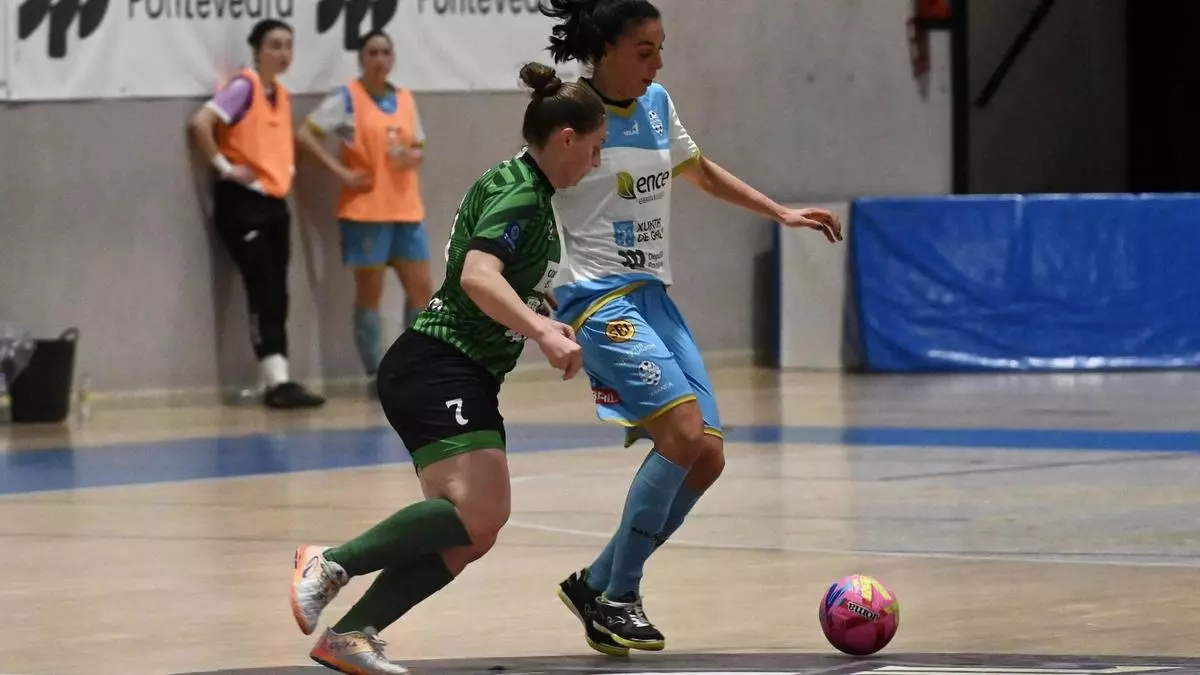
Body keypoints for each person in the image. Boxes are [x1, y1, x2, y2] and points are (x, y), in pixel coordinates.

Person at [539, 0, 844, 655]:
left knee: (707, 454)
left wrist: (780, 212)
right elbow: (525, 195)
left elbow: (698, 170)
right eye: (644, 51)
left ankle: (595, 583)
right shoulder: (569, 112)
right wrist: (530, 302)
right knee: (680, 433)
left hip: (651, 294)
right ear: (606, 49)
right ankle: (620, 597)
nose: (657, 63)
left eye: (661, 49)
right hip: (595, 300)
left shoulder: (656, 104)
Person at [287, 62, 607, 675]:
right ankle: (329, 563)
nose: (595, 162)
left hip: (456, 370)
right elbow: (478, 276)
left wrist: (540, 312)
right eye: (594, 148)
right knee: (481, 511)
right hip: (440, 364)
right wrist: (540, 330)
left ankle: (349, 636)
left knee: (471, 532)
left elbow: (497, 279)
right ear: (566, 138)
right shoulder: (522, 194)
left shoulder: (521, 183)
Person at [189, 19, 326, 409]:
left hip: (274, 203)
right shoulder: (243, 87)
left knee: (277, 292)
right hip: (243, 203)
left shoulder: (280, 94)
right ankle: (277, 382)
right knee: (263, 288)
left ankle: (275, 378)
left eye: (288, 45)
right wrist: (225, 166)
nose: (283, 53)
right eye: (274, 45)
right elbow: (201, 123)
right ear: (257, 50)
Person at [296, 30, 435, 385]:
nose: (380, 59)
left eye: (386, 52)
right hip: (366, 211)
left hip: (406, 208)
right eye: (372, 52)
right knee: (370, 292)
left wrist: (411, 157)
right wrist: (341, 172)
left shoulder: (404, 99)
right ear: (361, 59)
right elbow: (305, 134)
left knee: (421, 289)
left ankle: (413, 364)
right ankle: (375, 372)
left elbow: (418, 146)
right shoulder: (347, 99)